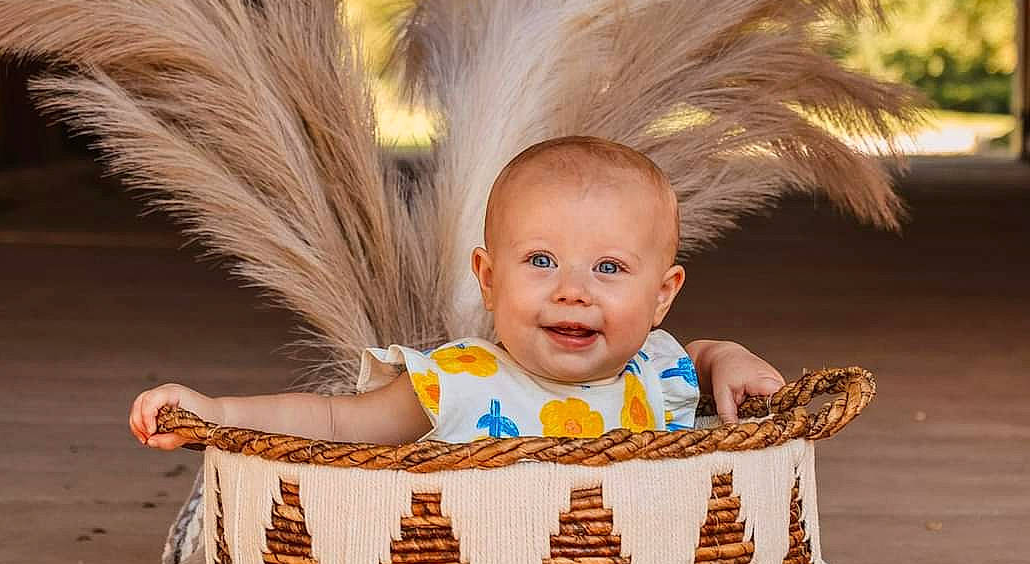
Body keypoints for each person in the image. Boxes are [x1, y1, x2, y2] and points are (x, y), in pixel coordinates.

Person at [130, 136, 784, 450]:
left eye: (609, 268)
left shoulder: (658, 366)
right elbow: (333, 422)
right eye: (541, 260)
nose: (573, 292)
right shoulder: (460, 382)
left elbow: (695, 357)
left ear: (662, 295)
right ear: (489, 279)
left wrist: (727, 357)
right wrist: (213, 412)